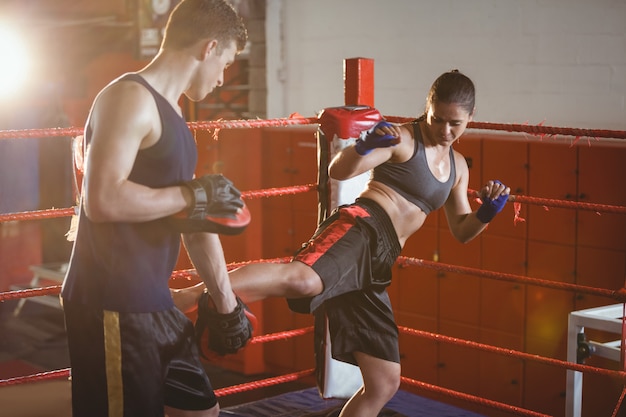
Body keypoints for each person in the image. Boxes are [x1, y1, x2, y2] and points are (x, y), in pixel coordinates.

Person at [177, 70, 510, 417]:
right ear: (427, 108)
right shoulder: (402, 139)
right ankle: (184, 299)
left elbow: (462, 230)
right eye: (437, 119)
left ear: (471, 117)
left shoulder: (458, 167)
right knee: (302, 278)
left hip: (379, 261)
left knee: (383, 382)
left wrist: (487, 212)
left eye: (454, 124)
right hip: (362, 227)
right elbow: (339, 171)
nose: (444, 130)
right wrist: (364, 146)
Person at [60, 1, 250, 416]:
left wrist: (226, 301)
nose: (223, 78)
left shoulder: (175, 116)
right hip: (113, 301)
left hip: (154, 302)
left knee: (203, 412)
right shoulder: (129, 97)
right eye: (226, 62)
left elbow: (195, 221)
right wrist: (193, 195)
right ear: (209, 47)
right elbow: (103, 200)